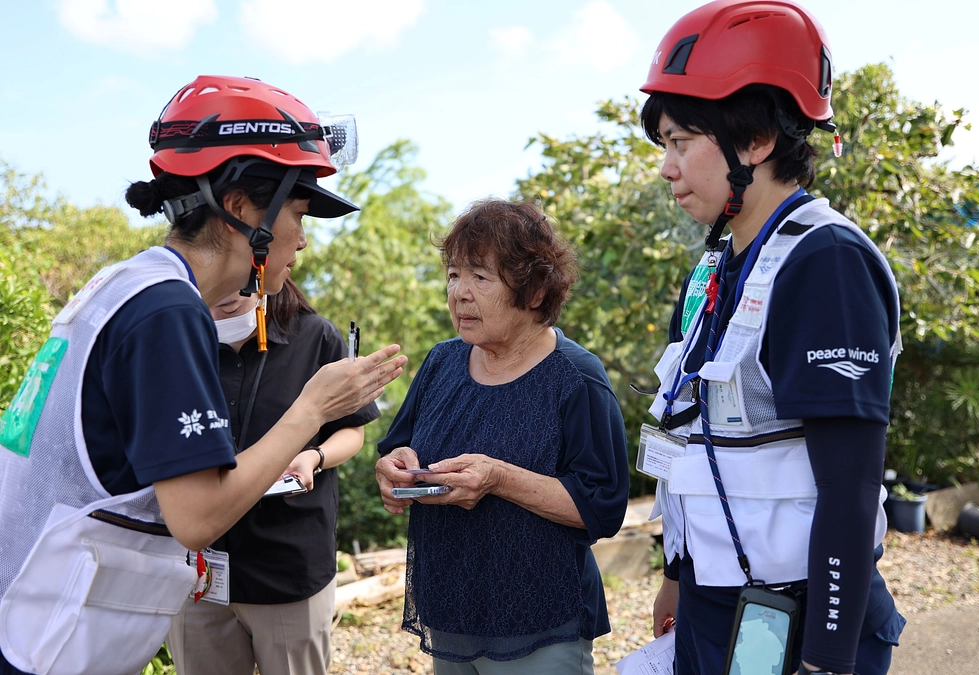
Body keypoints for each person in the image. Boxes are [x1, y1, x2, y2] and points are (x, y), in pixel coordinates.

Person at [0, 75, 406, 675]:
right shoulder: (169, 311)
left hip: (31, 614)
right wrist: (312, 410)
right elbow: (197, 519)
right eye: (298, 214)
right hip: (42, 641)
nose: (302, 241)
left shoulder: (126, 284)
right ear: (240, 209)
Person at [637, 2, 905, 675]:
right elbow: (690, 432)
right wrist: (676, 574)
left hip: (802, 620)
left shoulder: (826, 262)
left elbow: (849, 486)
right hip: (715, 607)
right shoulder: (713, 269)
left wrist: (826, 661)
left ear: (754, 140)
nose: (666, 167)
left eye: (680, 142)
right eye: (663, 144)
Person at [374, 199, 629, 675]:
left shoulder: (576, 378)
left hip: (540, 623)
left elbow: (602, 507)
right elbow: (398, 447)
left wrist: (498, 479)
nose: (459, 293)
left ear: (534, 290)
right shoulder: (442, 362)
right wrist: (393, 467)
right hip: (451, 610)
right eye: (453, 275)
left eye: (480, 277)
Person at [166, 278, 379, 675]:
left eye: (238, 280)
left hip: (287, 565)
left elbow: (352, 430)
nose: (228, 294)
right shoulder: (175, 344)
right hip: (194, 570)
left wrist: (315, 457)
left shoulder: (316, 338)